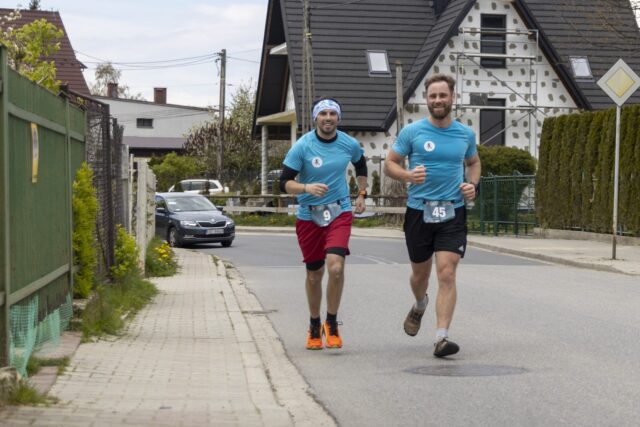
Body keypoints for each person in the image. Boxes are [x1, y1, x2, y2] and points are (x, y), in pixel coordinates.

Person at [384, 74, 481, 358]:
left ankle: (442, 337)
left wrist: (472, 186)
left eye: (443, 95)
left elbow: (473, 163)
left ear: (452, 98)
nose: (438, 100)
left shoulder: (465, 134)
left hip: (453, 210)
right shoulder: (412, 133)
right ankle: (419, 303)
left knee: (447, 272)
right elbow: (390, 164)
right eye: (433, 96)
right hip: (419, 211)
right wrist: (408, 175)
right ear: (427, 100)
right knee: (419, 275)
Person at [279, 98, 368, 350]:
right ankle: (314, 323)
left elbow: (361, 165)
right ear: (315, 118)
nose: (328, 118)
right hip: (309, 214)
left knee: (336, 267)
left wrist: (361, 194)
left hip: (339, 211)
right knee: (314, 275)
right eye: (323, 114)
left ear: (338, 118)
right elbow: (284, 182)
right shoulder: (303, 146)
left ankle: (332, 321)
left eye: (332, 114)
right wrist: (306, 187)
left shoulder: (348, 143)